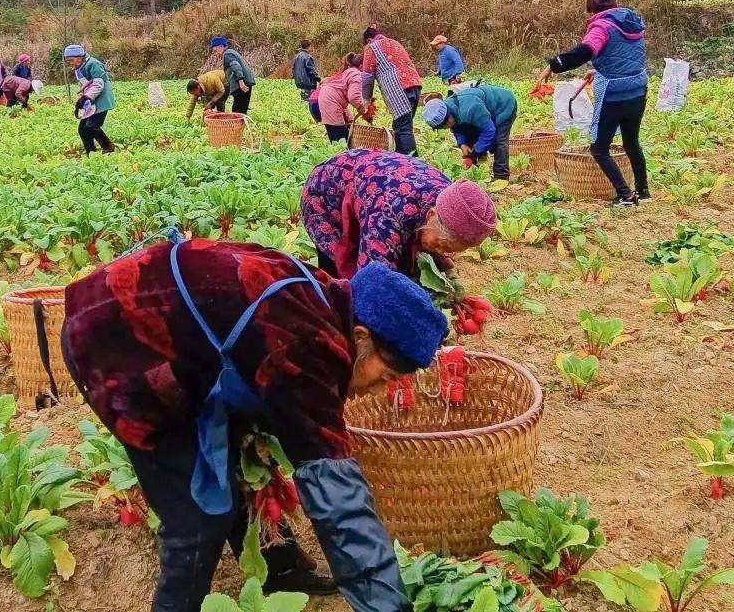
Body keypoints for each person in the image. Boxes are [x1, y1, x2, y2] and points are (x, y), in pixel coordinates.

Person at [61, 234, 448, 612]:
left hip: (166, 327)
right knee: (198, 512)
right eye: (384, 377)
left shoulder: (327, 302)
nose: (378, 390)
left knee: (241, 453)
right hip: (113, 342)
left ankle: (279, 569)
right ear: (361, 337)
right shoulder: (306, 345)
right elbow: (339, 500)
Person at [301, 147, 498, 280]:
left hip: (375, 185)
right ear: (431, 215)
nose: (440, 250)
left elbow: (441, 241)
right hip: (326, 195)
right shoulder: (389, 214)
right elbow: (374, 279)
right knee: (341, 277)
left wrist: (449, 277)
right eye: (442, 244)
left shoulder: (451, 199)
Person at [536, 0, 649, 206]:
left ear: (592, 10)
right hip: (637, 90)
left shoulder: (602, 26)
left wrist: (554, 65)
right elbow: (624, 57)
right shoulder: (631, 22)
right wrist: (598, 69)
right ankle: (643, 192)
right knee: (631, 142)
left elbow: (586, 50)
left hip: (615, 94)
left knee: (599, 149)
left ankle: (625, 195)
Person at [422, 83, 518, 180]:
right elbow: (458, 129)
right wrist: (463, 144)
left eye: (444, 126)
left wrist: (477, 150)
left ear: (449, 116)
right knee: (471, 134)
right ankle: (475, 172)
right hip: (484, 110)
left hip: (504, 104)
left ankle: (501, 176)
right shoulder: (448, 109)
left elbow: (489, 131)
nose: (446, 129)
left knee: (499, 141)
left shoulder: (470, 108)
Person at [360, 27, 422, 156]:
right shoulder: (394, 42)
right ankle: (400, 158)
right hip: (415, 83)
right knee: (401, 125)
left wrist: (366, 100)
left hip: (398, 87)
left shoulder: (372, 47)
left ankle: (413, 163)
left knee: (404, 128)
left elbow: (367, 76)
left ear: (369, 39)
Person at [63, 44, 115, 154]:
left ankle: (108, 147)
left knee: (92, 125)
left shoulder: (93, 64)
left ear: (79, 57)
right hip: (90, 100)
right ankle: (91, 152)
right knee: (82, 129)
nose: (70, 63)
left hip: (101, 99)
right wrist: (82, 98)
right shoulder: (79, 67)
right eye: (68, 61)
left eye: (71, 60)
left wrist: (87, 97)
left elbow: (98, 84)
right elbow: (84, 84)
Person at [316, 53, 368, 143]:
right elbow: (353, 97)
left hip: (326, 98)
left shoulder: (349, 71)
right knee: (341, 139)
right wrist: (364, 109)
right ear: (361, 66)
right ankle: (341, 156)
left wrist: (349, 117)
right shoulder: (357, 75)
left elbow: (341, 95)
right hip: (331, 101)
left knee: (335, 136)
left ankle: (337, 155)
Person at [210, 36, 256, 115]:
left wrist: (241, 82)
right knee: (241, 109)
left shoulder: (227, 54)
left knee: (238, 111)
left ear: (220, 46)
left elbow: (236, 65)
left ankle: (239, 126)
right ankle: (241, 126)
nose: (215, 53)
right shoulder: (231, 52)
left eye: (215, 50)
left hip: (242, 84)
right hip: (245, 82)